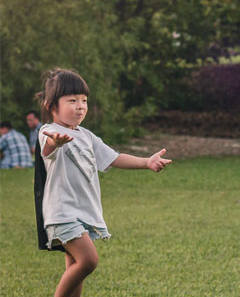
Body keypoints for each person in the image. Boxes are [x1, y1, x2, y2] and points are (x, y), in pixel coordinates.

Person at [35, 68, 172, 297]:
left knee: (75, 265)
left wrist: (146, 162)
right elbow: (47, 148)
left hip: (84, 211)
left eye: (84, 100)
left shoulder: (87, 136)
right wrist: (55, 143)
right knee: (88, 261)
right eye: (72, 100)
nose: (80, 106)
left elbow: (114, 157)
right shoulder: (50, 131)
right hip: (62, 211)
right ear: (51, 105)